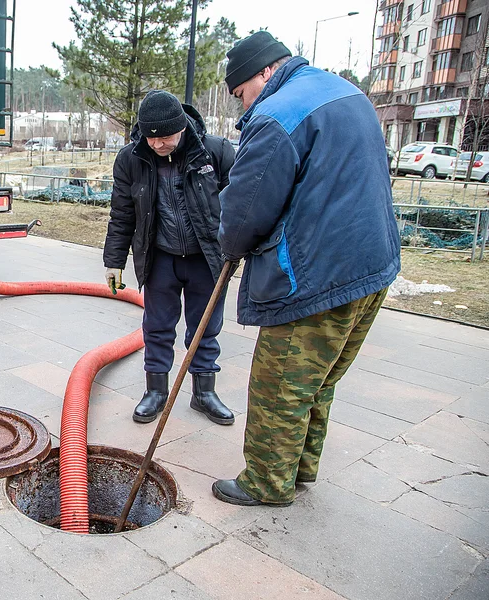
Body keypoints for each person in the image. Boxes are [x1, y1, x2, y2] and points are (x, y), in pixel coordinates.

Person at [212, 32, 401, 506]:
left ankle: (267, 484)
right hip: (372, 264)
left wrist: (230, 245)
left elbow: (246, 207)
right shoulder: (344, 91)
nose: (242, 105)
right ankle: (299, 468)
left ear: (264, 73)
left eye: (240, 93)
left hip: (316, 276)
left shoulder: (278, 114)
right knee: (317, 381)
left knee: (280, 385)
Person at [103, 90, 236, 426]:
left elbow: (239, 205)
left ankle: (204, 393)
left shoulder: (216, 151)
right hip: (160, 258)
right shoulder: (130, 159)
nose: (159, 144)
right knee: (157, 327)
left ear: (182, 127)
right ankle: (155, 392)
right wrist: (114, 261)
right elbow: (121, 214)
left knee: (205, 327)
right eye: (152, 138)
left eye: (165, 137)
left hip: (205, 258)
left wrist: (237, 249)